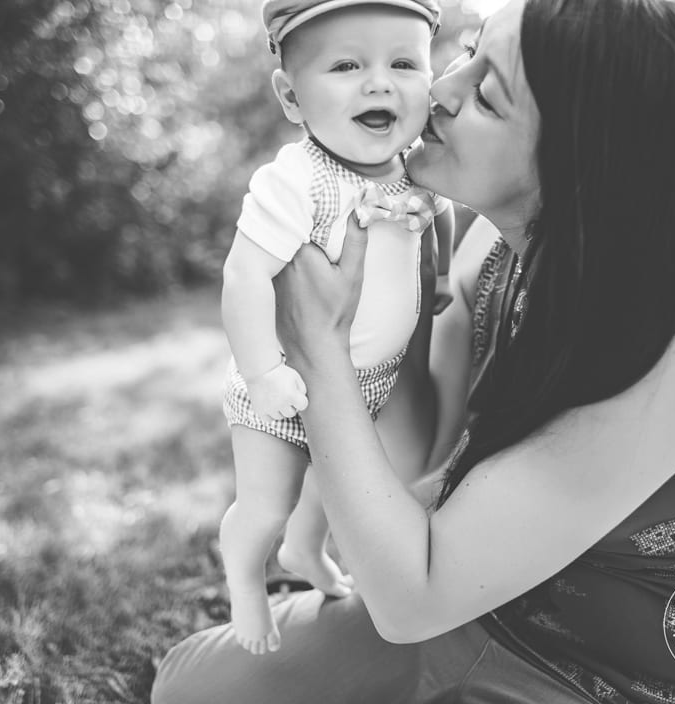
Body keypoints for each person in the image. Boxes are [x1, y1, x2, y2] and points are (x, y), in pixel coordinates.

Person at [154, 0, 675, 700]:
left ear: (581, 159)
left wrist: (318, 350)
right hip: (487, 605)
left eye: (487, 96)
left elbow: (412, 597)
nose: (440, 90)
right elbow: (415, 461)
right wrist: (390, 310)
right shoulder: (492, 242)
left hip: (625, 676)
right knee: (191, 682)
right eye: (466, 54)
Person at [218, 0, 454, 655]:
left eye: (404, 63)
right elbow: (244, 279)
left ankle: (305, 552)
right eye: (347, 65)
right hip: (283, 384)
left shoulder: (412, 164)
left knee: (336, 489)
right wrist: (264, 373)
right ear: (292, 98)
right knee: (269, 501)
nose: (380, 82)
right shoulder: (296, 181)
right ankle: (246, 573)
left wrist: (436, 282)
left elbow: (435, 220)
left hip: (364, 386)